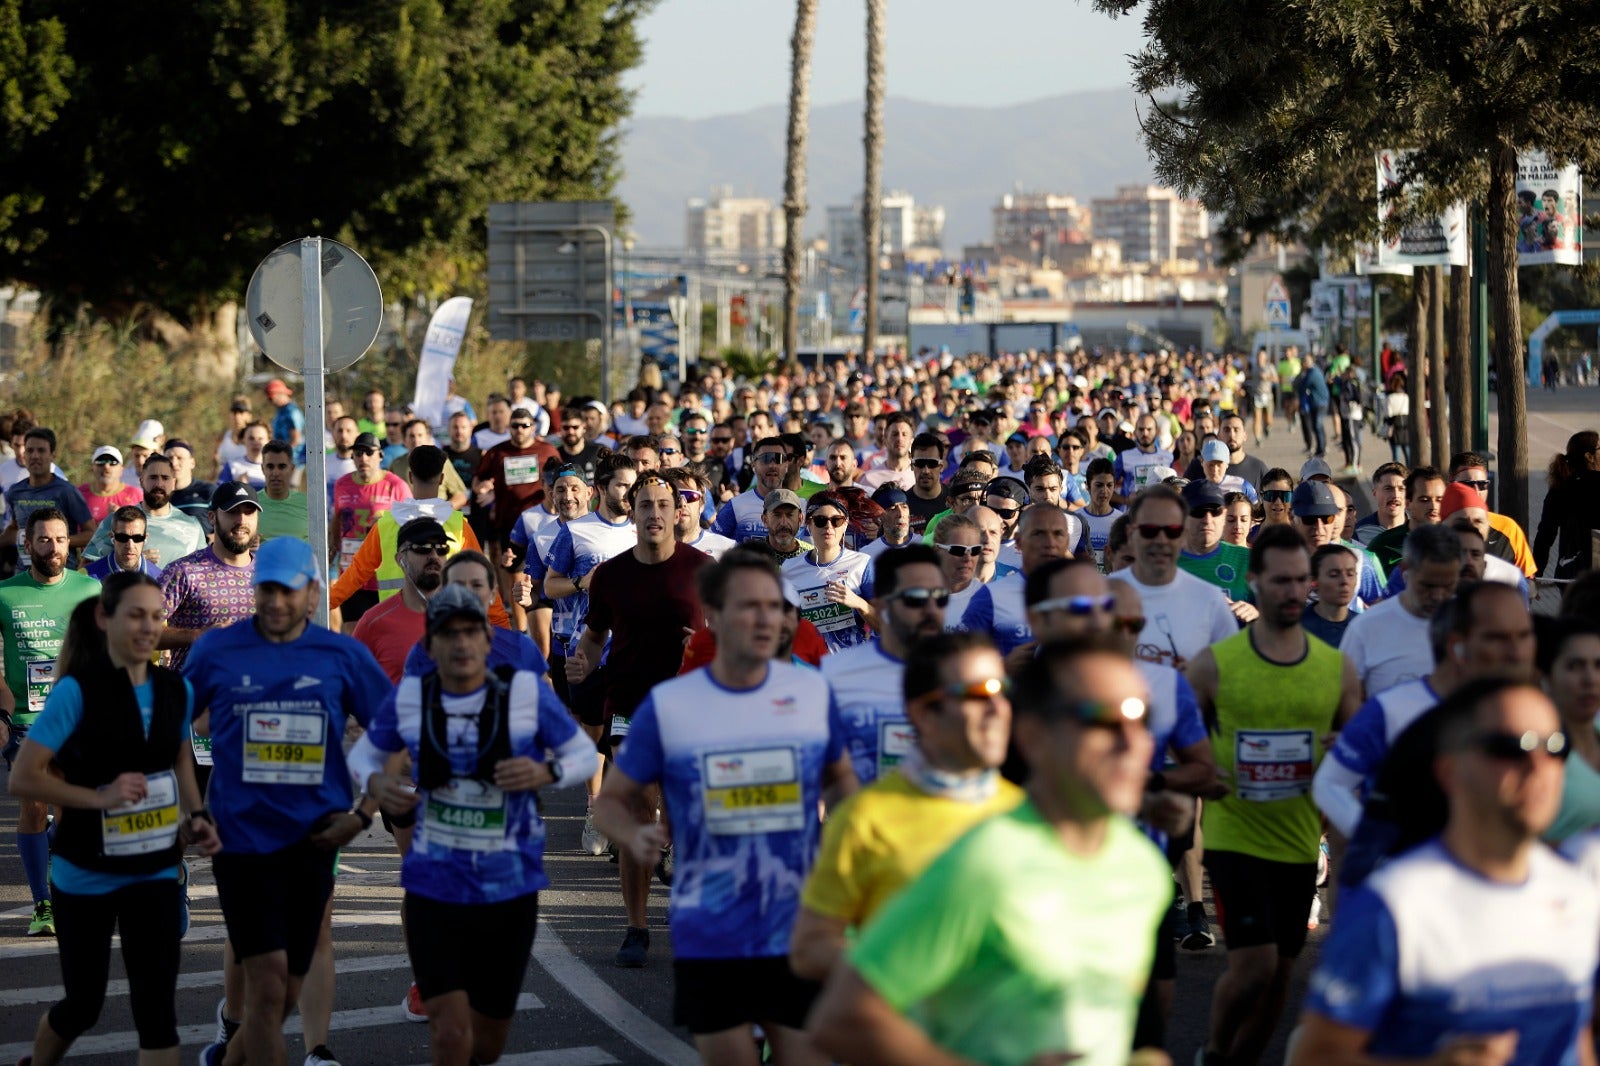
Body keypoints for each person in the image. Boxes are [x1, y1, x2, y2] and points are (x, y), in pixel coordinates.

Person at [808, 638, 1168, 1066]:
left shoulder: (1143, 868)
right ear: (1034, 736)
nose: (1133, 743)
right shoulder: (985, 861)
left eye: (1141, 716)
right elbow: (840, 1020)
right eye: (1101, 720)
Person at [593, 553, 856, 1061]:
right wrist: (634, 834)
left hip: (798, 919)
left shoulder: (811, 692)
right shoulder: (673, 704)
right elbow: (611, 805)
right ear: (714, 613)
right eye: (748, 607)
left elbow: (842, 782)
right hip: (712, 923)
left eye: (775, 608)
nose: (764, 620)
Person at [1292, 680, 1599, 1066]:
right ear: (1450, 771)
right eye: (1510, 747)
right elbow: (1316, 1059)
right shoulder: (1394, 907)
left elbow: (1576, 1041)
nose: (1538, 765)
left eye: (1556, 747)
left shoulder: (1578, 892)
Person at [356, 585, 599, 1066]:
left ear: (488, 638)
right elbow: (364, 755)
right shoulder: (414, 697)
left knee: (486, 1045)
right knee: (448, 1035)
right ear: (431, 643)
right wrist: (376, 783)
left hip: (508, 888)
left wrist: (543, 771)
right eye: (449, 634)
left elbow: (583, 754)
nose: (462, 644)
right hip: (434, 886)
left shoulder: (523, 694)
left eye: (471, 632)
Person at [185, 537, 391, 1066]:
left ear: (314, 592)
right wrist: (193, 807)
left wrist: (362, 815)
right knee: (269, 989)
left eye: (288, 590)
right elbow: (166, 724)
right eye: (265, 590)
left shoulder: (341, 655)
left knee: (282, 997)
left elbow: (392, 735)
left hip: (314, 840)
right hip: (240, 840)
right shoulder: (217, 649)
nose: (275, 602)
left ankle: (228, 1060)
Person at [7, 572, 222, 1066]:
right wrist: (99, 798)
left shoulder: (176, 689)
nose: (148, 627)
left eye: (157, 617)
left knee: (157, 1013)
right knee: (84, 1005)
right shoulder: (77, 691)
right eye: (135, 615)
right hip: (86, 874)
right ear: (105, 618)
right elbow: (24, 778)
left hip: (156, 870)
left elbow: (179, 759)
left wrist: (197, 814)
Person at [1187, 525, 1362, 1066]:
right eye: (1279, 580)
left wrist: (1341, 751)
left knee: (1283, 969)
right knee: (1255, 966)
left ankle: (1237, 1059)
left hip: (1298, 842)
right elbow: (1178, 741)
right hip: (1234, 837)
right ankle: (1216, 1052)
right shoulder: (1215, 665)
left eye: (1299, 581)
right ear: (1254, 582)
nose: (1291, 592)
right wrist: (1200, 774)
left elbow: (1357, 756)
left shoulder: (1335, 669)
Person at [791, 630, 1021, 980]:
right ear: (925, 714)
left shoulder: (1027, 814)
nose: (998, 709)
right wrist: (911, 973)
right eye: (978, 694)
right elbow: (811, 949)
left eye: (1003, 691)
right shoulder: (862, 819)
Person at [566, 475, 712, 968]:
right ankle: (636, 927)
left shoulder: (704, 571)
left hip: (691, 706)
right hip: (629, 702)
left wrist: (709, 644)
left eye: (664, 504)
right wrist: (581, 661)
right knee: (636, 805)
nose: (654, 512)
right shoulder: (610, 576)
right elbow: (592, 635)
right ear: (633, 512)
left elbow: (728, 638)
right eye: (645, 504)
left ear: (678, 513)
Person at [1313, 582, 1535, 841]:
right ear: (1457, 646)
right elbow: (1329, 784)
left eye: (1523, 636)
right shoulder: (1391, 708)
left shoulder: (1528, 713)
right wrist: (1376, 838)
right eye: (1497, 638)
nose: (1516, 652)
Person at [0, 508, 102, 936]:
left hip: (75, 716)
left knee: (67, 810)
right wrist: (2, 713)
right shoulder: (5, 594)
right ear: (27, 545)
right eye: (44, 540)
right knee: (35, 806)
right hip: (24, 718)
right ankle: (43, 904)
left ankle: (65, 891)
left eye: (61, 540)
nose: (54, 548)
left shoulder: (89, 587)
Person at [821, 545, 947, 785]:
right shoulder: (834, 675)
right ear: (881, 606)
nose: (931, 610)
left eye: (940, 597)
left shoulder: (965, 672)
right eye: (916, 599)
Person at [1109, 484, 1238, 670]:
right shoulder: (1102, 595)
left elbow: (1231, 670)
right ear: (1131, 533)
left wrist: (1198, 675)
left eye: (1172, 531)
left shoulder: (1210, 599)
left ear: (1183, 535)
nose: (1161, 540)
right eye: (1149, 530)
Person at [1343, 523, 1462, 696]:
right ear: (1405, 571)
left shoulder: (1472, 626)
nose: (1437, 596)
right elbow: (1348, 700)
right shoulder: (1366, 629)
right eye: (1428, 585)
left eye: (1448, 586)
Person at [158, 482, 260, 671]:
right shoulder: (183, 571)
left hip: (257, 696)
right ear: (212, 518)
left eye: (249, 512)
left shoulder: (269, 574)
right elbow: (140, 630)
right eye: (232, 511)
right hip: (198, 694)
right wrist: (197, 636)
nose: (242, 520)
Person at [959, 504, 1078, 663]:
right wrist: (1003, 667)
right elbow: (962, 663)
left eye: (1058, 534)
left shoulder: (1085, 595)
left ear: (1067, 542)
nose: (1050, 543)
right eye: (1038, 534)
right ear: (1019, 542)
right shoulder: (990, 597)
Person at [351, 517, 450, 682]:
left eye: (441, 548)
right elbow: (351, 688)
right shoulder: (374, 622)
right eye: (422, 547)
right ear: (400, 559)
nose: (434, 555)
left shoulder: (465, 617)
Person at [330, 432, 413, 627]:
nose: (363, 458)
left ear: (380, 456)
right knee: (354, 634)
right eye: (358, 453)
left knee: (383, 634)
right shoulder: (342, 484)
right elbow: (337, 516)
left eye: (369, 452)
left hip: (382, 577)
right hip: (352, 572)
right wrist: (333, 543)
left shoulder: (396, 486)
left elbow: (411, 525)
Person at [783, 492, 875, 653]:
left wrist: (860, 604)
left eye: (836, 520)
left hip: (849, 668)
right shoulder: (789, 569)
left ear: (845, 524)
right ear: (809, 524)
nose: (829, 527)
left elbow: (887, 627)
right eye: (820, 520)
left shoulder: (862, 564)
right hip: (808, 668)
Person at [472, 406, 560, 554]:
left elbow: (562, 479)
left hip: (543, 521)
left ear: (532, 428)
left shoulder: (548, 451)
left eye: (524, 425)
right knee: (511, 571)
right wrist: (485, 489)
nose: (520, 429)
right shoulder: (497, 452)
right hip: (509, 522)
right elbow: (477, 481)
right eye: (515, 426)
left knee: (546, 571)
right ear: (509, 428)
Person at [1542, 619, 1600, 844]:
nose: (1590, 679)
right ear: (1548, 676)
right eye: (1574, 666)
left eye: (1598, 666)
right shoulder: (1534, 751)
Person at [2, 426, 95, 552]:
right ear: (25, 455)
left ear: (53, 455)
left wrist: (56, 542)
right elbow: (14, 527)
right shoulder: (16, 491)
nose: (35, 456)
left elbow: (91, 534)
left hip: (60, 569)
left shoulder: (67, 491)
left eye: (41, 450)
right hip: (24, 570)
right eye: (30, 450)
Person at [1177, 478, 1255, 609]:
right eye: (1198, 511)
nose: (1207, 519)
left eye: (1215, 511)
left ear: (1224, 515)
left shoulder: (1249, 559)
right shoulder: (1164, 563)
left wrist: (1256, 615)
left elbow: (1277, 620)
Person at [1533, 430, 1600, 578]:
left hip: (1570, 572)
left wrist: (1535, 574)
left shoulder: (1560, 487)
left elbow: (1545, 535)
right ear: (1589, 457)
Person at [1367, 465, 1449, 573]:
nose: (1433, 507)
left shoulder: (1457, 542)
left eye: (1439, 500)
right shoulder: (1382, 545)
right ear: (1407, 503)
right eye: (1424, 500)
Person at [713, 435, 795, 542]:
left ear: (786, 466)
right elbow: (712, 543)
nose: (772, 465)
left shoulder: (800, 506)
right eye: (765, 459)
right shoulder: (735, 506)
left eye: (778, 458)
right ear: (753, 466)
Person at [1303, 542, 1360, 648]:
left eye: (1350, 574)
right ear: (1314, 581)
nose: (1344, 581)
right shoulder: (1294, 631)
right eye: (1334, 575)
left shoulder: (1365, 626)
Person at [84, 505, 164, 582]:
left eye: (137, 538)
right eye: (122, 537)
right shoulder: (87, 576)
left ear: (145, 538)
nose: (130, 545)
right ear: (112, 537)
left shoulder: (160, 579)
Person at [1112, 414, 1176, 503]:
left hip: (1160, 511)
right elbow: (1106, 486)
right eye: (1141, 429)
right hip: (1131, 513)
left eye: (1149, 429)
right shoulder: (1124, 456)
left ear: (1156, 431)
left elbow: (1175, 488)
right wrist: (1125, 500)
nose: (1145, 433)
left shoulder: (1168, 457)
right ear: (1135, 432)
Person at [256, 440, 309, 543]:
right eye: (270, 467)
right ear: (263, 469)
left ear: (292, 468)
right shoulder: (251, 506)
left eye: (282, 467)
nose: (275, 473)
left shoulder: (308, 504)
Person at [77, 445, 144, 526]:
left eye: (113, 462)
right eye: (100, 462)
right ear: (92, 468)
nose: (106, 466)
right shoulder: (78, 494)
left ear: (121, 469)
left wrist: (121, 517)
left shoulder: (136, 495)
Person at [905, 432, 949, 534]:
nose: (926, 470)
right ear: (912, 465)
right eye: (920, 463)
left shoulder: (955, 501)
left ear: (941, 466)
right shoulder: (902, 505)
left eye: (932, 464)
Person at [264, 378, 306, 463]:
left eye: (271, 398)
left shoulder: (291, 412)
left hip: (293, 460)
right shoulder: (281, 411)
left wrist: (282, 455)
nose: (270, 402)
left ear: (281, 394)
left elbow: (296, 439)